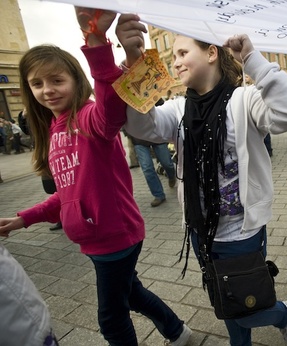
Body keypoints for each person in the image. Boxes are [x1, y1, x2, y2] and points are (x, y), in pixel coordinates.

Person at [0, 7, 191, 346]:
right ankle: (178, 332)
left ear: (76, 80)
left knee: (111, 321)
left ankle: (177, 332)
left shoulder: (88, 117)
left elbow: (109, 113)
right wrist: (24, 219)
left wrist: (94, 40)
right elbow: (68, 193)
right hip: (94, 237)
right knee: (132, 294)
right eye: (37, 83)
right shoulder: (54, 129)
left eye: (57, 80)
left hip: (113, 236)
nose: (48, 90)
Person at [116, 13, 287, 346]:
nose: (175, 62)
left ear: (211, 53)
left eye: (182, 53)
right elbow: (142, 127)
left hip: (241, 231)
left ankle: (283, 313)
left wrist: (252, 60)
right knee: (226, 302)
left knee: (247, 307)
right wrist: (135, 60)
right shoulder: (178, 110)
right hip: (201, 232)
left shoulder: (244, 101)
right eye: (173, 56)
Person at [129, 133, 176, 207]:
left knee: (167, 163)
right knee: (147, 168)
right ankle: (159, 195)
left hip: (157, 135)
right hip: (139, 139)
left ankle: (171, 176)